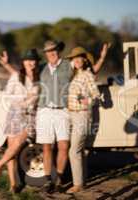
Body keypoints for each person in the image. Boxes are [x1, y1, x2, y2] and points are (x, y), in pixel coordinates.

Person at [36, 40, 108, 193]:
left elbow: (93, 76)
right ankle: (69, 181)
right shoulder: (71, 72)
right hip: (66, 113)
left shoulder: (75, 69)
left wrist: (102, 58)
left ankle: (72, 183)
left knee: (71, 149)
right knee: (70, 149)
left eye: (54, 50)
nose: (52, 53)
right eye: (48, 51)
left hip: (76, 114)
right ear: (46, 54)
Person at [0, 49, 40, 193]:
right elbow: (8, 94)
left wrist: (28, 99)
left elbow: (36, 97)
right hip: (14, 113)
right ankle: (13, 184)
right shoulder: (17, 76)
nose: (31, 62)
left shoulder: (39, 77)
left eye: (34, 60)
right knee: (12, 151)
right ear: (23, 62)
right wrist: (22, 99)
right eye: (28, 60)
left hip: (30, 116)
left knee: (17, 144)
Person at [66, 47, 101, 193]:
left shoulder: (87, 75)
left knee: (74, 151)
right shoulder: (75, 75)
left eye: (79, 57)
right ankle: (82, 181)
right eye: (74, 58)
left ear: (85, 59)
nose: (77, 60)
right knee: (79, 150)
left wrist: (85, 100)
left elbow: (96, 95)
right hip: (72, 115)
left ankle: (78, 184)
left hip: (82, 115)